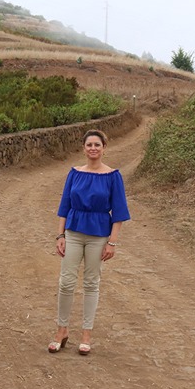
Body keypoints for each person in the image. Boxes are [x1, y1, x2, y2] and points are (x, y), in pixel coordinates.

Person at [49, 129, 130, 355]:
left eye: (97, 145)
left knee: (91, 283)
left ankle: (86, 334)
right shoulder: (74, 173)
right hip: (73, 232)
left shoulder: (113, 176)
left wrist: (112, 243)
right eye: (89, 145)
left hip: (99, 235)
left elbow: (120, 211)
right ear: (83, 148)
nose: (93, 148)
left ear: (104, 148)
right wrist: (60, 235)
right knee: (66, 282)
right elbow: (64, 206)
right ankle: (61, 330)